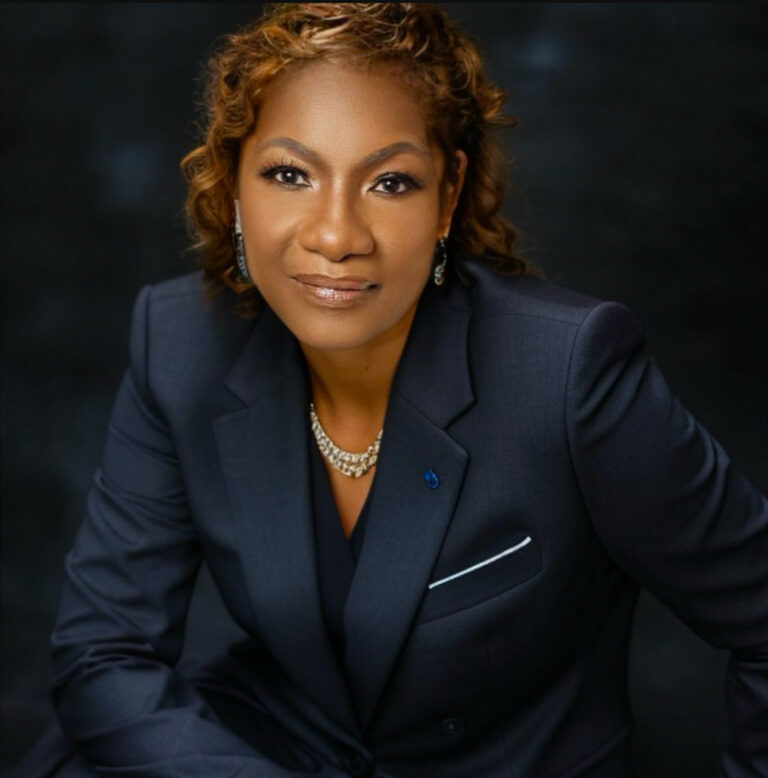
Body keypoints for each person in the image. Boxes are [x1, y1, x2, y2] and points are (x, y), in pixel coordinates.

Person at [11, 3, 768, 777]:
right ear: (235, 183)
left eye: (390, 182)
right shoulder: (179, 341)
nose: (335, 236)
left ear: (448, 196)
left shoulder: (568, 372)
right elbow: (105, 654)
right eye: (289, 174)